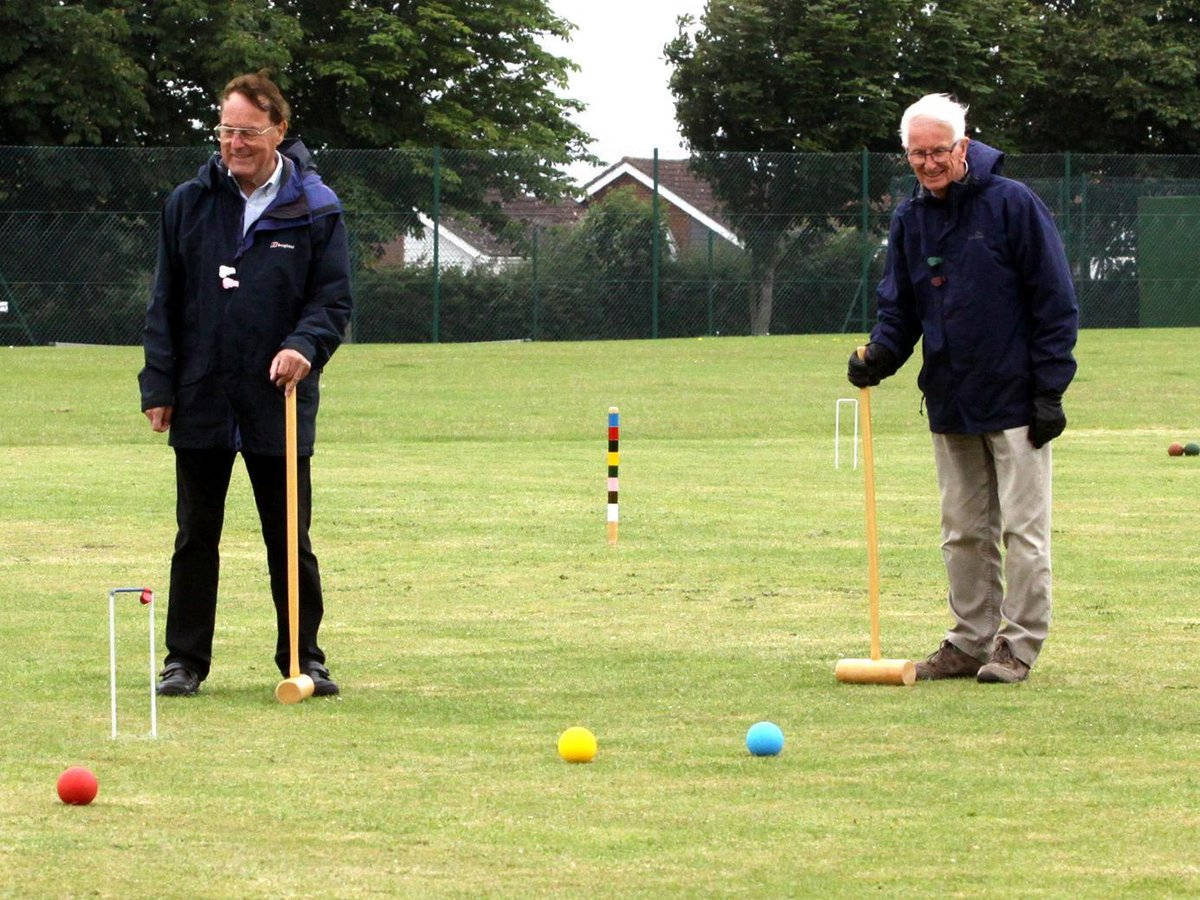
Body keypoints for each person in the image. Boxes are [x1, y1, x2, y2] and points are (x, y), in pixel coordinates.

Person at [847, 93, 1077, 684]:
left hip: (1018, 398)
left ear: (964, 147)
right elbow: (900, 308)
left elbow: (1055, 301)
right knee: (962, 531)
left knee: (1023, 530)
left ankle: (1018, 647)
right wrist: (879, 357)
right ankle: (969, 641)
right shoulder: (910, 218)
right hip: (950, 396)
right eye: (917, 154)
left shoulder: (1012, 205)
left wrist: (1050, 390)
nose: (928, 163)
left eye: (939, 151)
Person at [139, 72, 352, 697]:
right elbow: (165, 300)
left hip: (277, 398)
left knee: (289, 535)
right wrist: (159, 384)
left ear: (279, 131)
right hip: (203, 391)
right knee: (194, 535)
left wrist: (302, 346)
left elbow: (332, 300)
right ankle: (185, 662)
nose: (235, 143)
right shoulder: (189, 201)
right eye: (226, 130)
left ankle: (303, 658)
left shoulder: (316, 206)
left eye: (248, 132)